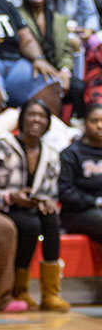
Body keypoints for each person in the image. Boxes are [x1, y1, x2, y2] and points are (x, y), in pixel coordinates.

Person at [0, 98, 69, 311]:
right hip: (3, 206)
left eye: (42, 116)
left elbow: (50, 190)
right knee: (30, 225)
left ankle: (50, 293)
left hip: (32, 206)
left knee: (50, 220)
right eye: (31, 114)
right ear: (21, 119)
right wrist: (10, 197)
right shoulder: (0, 145)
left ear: (48, 123)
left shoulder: (51, 153)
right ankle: (19, 288)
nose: (36, 120)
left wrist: (46, 202)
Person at [19, 0, 76, 101]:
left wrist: (65, 72)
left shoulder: (59, 19)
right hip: (31, 69)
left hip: (57, 70)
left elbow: (67, 52)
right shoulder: (17, 16)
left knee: (78, 87)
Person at [59, 104, 102, 245]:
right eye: (94, 121)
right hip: (77, 213)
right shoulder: (71, 154)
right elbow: (65, 192)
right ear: (84, 123)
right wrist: (95, 202)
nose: (100, 126)